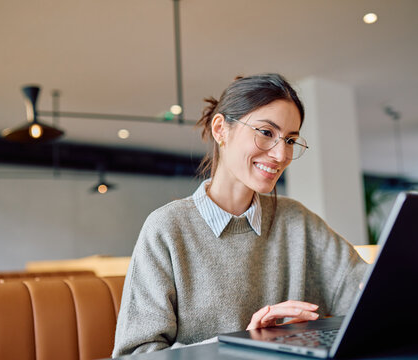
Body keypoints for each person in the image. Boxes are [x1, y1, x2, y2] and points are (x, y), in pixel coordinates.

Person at [112, 73, 367, 357]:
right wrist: (243, 344)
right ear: (221, 129)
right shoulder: (167, 229)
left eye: (291, 140)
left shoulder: (297, 220)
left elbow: (364, 292)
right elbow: (135, 354)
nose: (281, 154)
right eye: (266, 133)